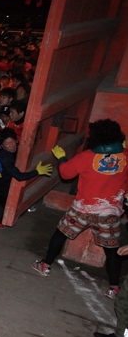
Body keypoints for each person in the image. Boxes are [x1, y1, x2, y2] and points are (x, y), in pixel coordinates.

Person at [32, 119, 128, 299]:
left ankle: (45, 265)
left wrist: (61, 157)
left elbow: (66, 173)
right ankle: (114, 287)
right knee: (112, 250)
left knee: (60, 234)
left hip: (83, 209)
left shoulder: (87, 156)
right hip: (110, 212)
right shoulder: (126, 155)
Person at [0, 128, 52, 228]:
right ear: (2, 145)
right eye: (8, 143)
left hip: (5, 183)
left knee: (9, 210)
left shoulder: (18, 148)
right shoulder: (3, 158)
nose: (12, 145)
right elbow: (20, 176)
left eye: (13, 141)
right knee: (4, 217)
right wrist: (37, 172)